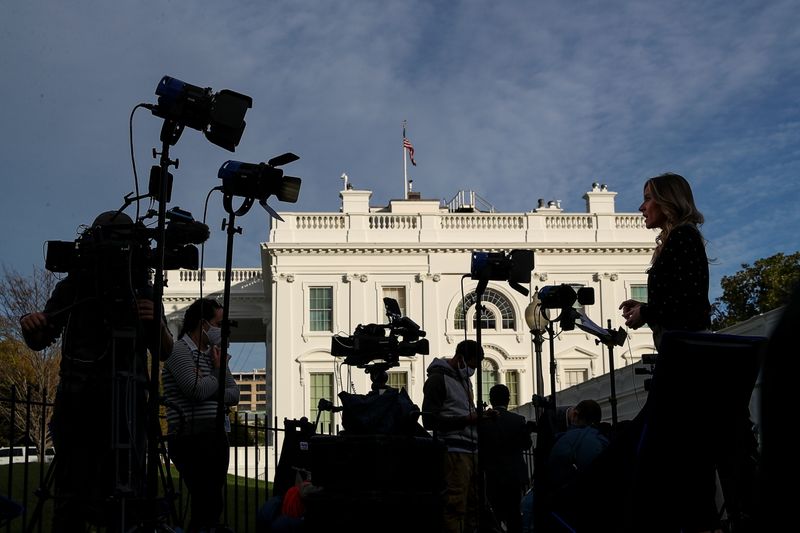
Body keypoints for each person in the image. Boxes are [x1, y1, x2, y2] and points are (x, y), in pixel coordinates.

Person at [19, 210, 174, 532]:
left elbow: (163, 351)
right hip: (79, 396)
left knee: (129, 491)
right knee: (72, 492)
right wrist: (32, 326)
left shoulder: (143, 290)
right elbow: (42, 337)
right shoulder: (74, 286)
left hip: (129, 400)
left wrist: (155, 322)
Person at [162, 297, 240, 533]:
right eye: (218, 324)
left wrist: (210, 379)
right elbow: (195, 390)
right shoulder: (178, 351)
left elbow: (234, 394)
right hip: (190, 438)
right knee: (204, 498)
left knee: (213, 502)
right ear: (203, 324)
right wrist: (215, 373)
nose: (222, 331)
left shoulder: (214, 353)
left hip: (216, 435)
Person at [619, 172, 711, 350]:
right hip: (679, 343)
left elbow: (688, 301)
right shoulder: (678, 238)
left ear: (667, 201)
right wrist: (645, 309)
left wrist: (645, 312)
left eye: (648, 199)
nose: (641, 207)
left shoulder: (683, 235)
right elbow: (678, 299)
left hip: (685, 347)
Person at [421, 339, 482, 533]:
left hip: (471, 449)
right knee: (455, 504)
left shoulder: (463, 381)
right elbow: (430, 421)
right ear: (461, 359)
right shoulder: (438, 380)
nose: (472, 370)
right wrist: (466, 420)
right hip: (454, 452)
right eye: (472, 365)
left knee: (474, 504)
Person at [480, 384, 532, 533]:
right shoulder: (518, 420)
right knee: (514, 514)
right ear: (508, 399)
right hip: (514, 475)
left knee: (494, 515)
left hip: (492, 475)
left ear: (490, 400)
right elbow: (527, 445)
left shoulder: (483, 422)